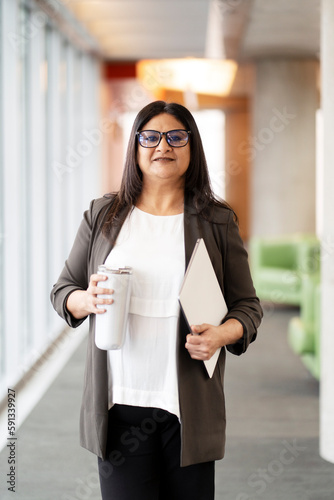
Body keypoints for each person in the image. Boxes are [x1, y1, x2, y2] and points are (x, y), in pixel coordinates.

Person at [51, 100, 263, 500]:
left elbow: (248, 307)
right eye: (150, 136)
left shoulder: (216, 221)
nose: (162, 145)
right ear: (135, 146)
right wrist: (87, 299)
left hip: (188, 407)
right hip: (118, 406)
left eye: (175, 136)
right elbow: (64, 290)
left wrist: (221, 334)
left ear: (191, 146)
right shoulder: (103, 215)